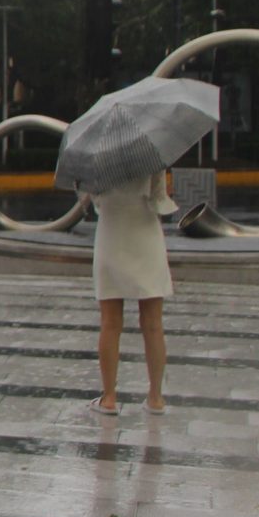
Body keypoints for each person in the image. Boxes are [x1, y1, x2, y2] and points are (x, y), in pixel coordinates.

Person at [89, 170, 174, 416]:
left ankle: (109, 398)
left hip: (111, 230)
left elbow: (94, 199)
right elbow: (159, 199)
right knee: (153, 323)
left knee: (110, 322)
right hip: (146, 232)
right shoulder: (151, 152)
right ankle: (155, 397)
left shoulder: (98, 154)